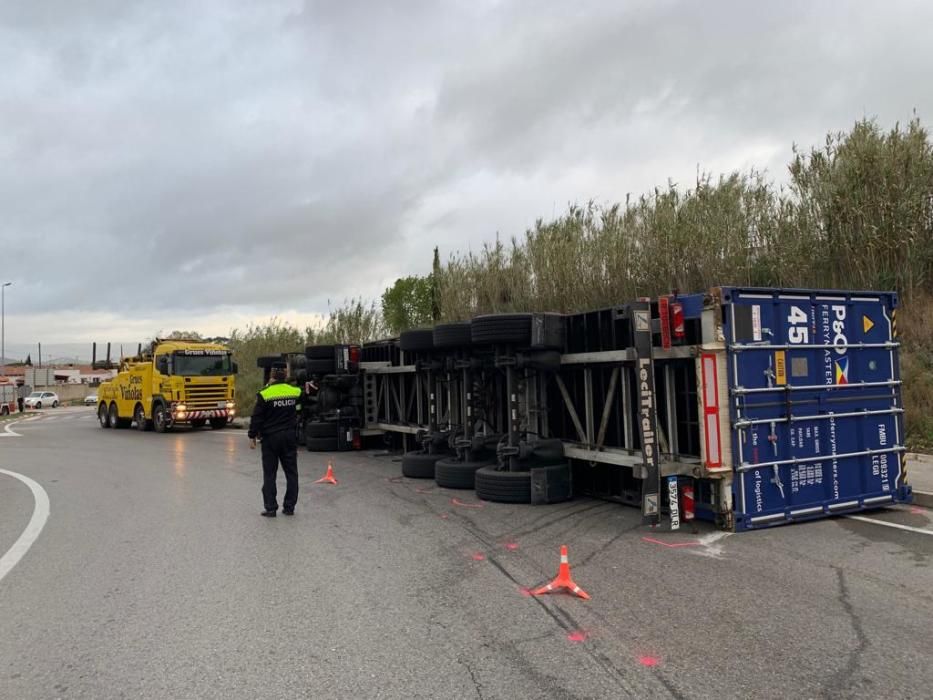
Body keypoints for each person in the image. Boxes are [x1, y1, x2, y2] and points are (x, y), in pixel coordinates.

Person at [248, 362, 302, 517]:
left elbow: (257, 417)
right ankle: (289, 507)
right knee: (291, 473)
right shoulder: (295, 391)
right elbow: (300, 408)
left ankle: (271, 508)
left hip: (271, 438)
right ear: (285, 374)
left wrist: (252, 435)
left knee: (270, 473)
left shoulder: (265, 393)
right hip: (289, 437)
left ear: (271, 374)